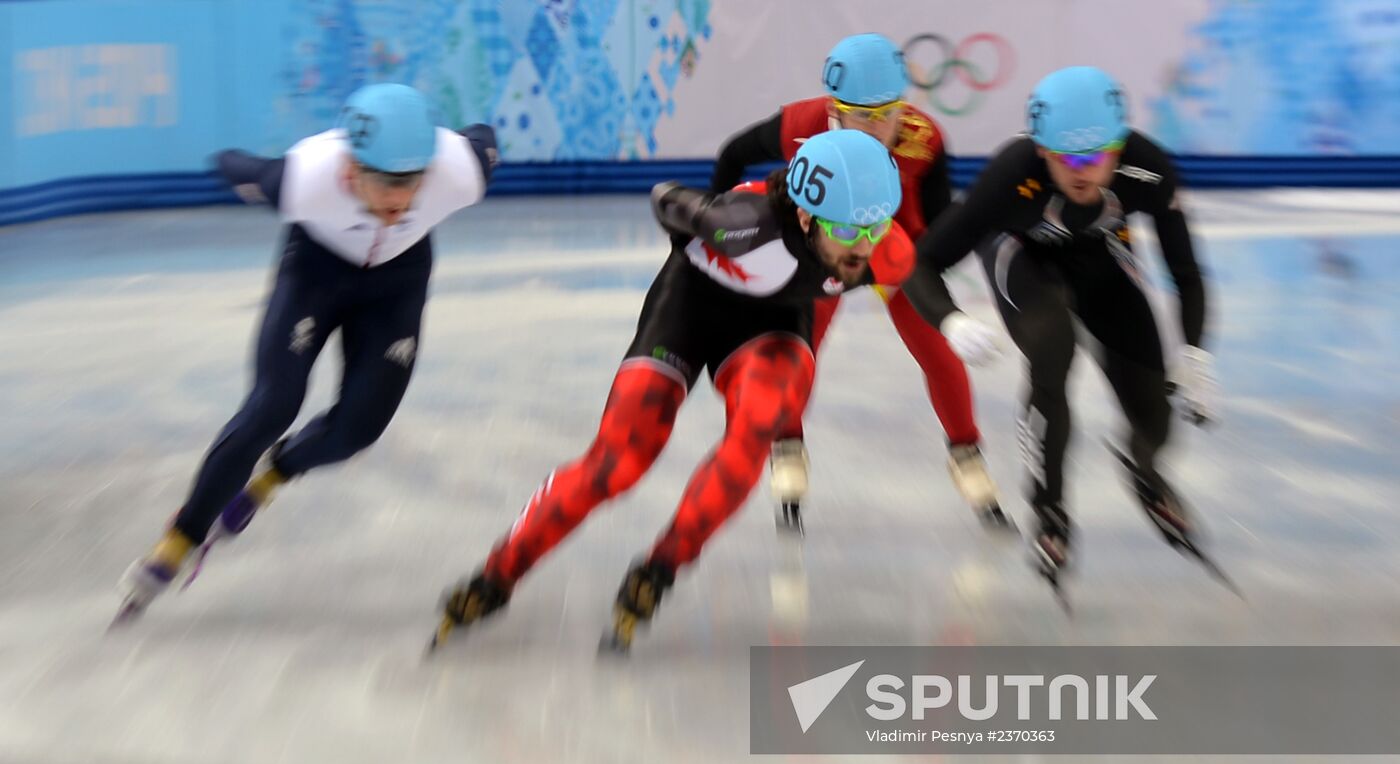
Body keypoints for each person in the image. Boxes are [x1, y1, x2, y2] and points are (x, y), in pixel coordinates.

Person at [432, 129, 912, 653]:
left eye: (875, 226)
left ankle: (661, 568)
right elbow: (664, 196)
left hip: (772, 323)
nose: (864, 244)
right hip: (690, 306)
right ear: (804, 216)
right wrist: (692, 236)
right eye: (848, 230)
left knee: (757, 428)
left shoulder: (882, 249)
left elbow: (918, 275)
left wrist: (951, 322)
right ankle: (496, 577)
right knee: (618, 463)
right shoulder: (742, 226)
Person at [115, 83, 498, 623]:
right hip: (315, 273)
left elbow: (483, 138)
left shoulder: (461, 171)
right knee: (272, 406)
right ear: (349, 169)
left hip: (399, 284)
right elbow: (236, 164)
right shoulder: (300, 179)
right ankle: (183, 536)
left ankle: (273, 477)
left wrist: (463, 144)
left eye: (412, 184)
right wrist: (216, 158)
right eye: (386, 183)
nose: (401, 200)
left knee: (358, 430)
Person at [900, 66, 1218, 586]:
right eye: (1065, 157)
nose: (1081, 171)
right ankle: (1049, 507)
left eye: (1095, 156)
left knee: (1154, 410)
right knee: (1053, 350)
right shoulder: (1011, 173)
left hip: (1102, 257)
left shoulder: (1149, 167)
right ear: (1041, 150)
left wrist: (1197, 353)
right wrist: (950, 320)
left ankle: (1145, 469)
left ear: (1119, 148)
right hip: (1022, 257)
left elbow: (1187, 271)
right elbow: (921, 262)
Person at [712, 32, 1006, 532]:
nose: (879, 126)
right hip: (823, 252)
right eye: (862, 114)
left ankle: (966, 451)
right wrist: (719, 226)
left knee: (938, 350)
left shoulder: (924, 137)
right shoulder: (799, 125)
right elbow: (732, 155)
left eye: (889, 112)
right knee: (797, 350)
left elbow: (934, 231)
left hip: (894, 250)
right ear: (833, 109)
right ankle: (787, 443)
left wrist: (943, 299)